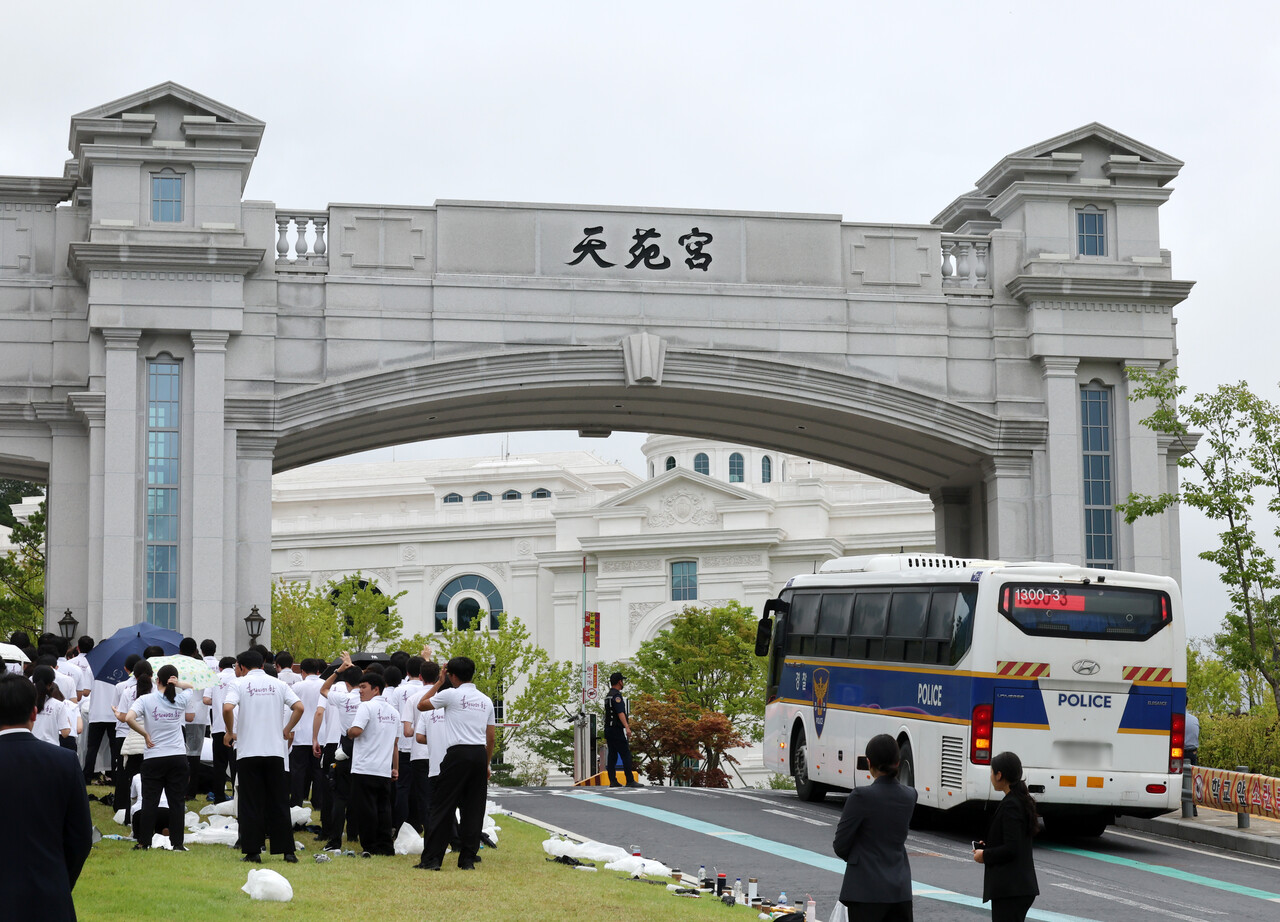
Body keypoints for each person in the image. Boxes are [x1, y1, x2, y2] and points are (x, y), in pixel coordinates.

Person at [0, 672, 92, 922]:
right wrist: (59, 881)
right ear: (34, 713)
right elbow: (81, 838)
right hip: (48, 893)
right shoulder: (64, 762)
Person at [223, 648, 304, 863]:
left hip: (249, 751)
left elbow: (228, 708)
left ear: (242, 667)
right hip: (275, 751)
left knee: (250, 802)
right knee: (279, 801)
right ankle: (287, 851)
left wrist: (229, 732)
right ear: (262, 664)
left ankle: (253, 851)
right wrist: (287, 729)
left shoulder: (239, 684)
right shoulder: (278, 684)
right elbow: (299, 707)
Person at [416, 655, 495, 871]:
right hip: (479, 754)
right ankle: (467, 860)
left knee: (442, 806)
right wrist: (486, 764)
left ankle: (432, 860)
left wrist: (439, 682)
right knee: (474, 809)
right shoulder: (486, 700)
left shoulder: (451, 694)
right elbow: (490, 738)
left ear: (451, 675)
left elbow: (421, 705)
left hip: (457, 754)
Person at [833, 734, 917, 922]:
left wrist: (861, 858)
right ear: (898, 762)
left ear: (869, 762)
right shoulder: (910, 795)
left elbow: (840, 845)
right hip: (900, 889)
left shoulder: (861, 796)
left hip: (865, 890)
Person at [125, 663, 196, 851]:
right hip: (177, 756)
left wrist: (145, 734)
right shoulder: (180, 699)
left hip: (154, 756)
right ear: (174, 680)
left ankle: (144, 842)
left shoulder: (146, 699)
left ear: (157, 681)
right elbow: (191, 687)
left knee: (150, 800)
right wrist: (178, 683)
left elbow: (129, 718)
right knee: (177, 801)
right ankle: (177, 843)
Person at [973, 751, 1040, 922]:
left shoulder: (1011, 804)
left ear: (999, 775)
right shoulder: (1019, 799)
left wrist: (985, 855)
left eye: (991, 772)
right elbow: (1014, 839)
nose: (990, 776)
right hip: (1017, 888)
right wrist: (989, 846)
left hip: (1011, 889)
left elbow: (1012, 848)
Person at [347, 665, 400, 856]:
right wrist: (395, 768)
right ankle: (386, 845)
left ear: (376, 689)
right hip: (383, 768)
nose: (360, 691)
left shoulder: (366, 706)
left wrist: (348, 731)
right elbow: (395, 744)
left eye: (363, 687)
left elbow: (357, 730)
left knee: (366, 809)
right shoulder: (394, 712)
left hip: (364, 767)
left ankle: (370, 845)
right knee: (383, 809)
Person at [603, 671, 640, 786]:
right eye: (622, 680)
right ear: (619, 682)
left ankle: (613, 780)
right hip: (616, 729)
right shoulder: (616, 696)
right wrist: (627, 727)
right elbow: (620, 713)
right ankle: (629, 780)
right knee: (625, 754)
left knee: (612, 755)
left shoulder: (608, 695)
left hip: (608, 729)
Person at [31, 664, 72, 747]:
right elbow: (65, 733)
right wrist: (68, 723)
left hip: (30, 747)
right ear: (51, 684)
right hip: (51, 748)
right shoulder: (58, 705)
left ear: (33, 681)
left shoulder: (26, 703)